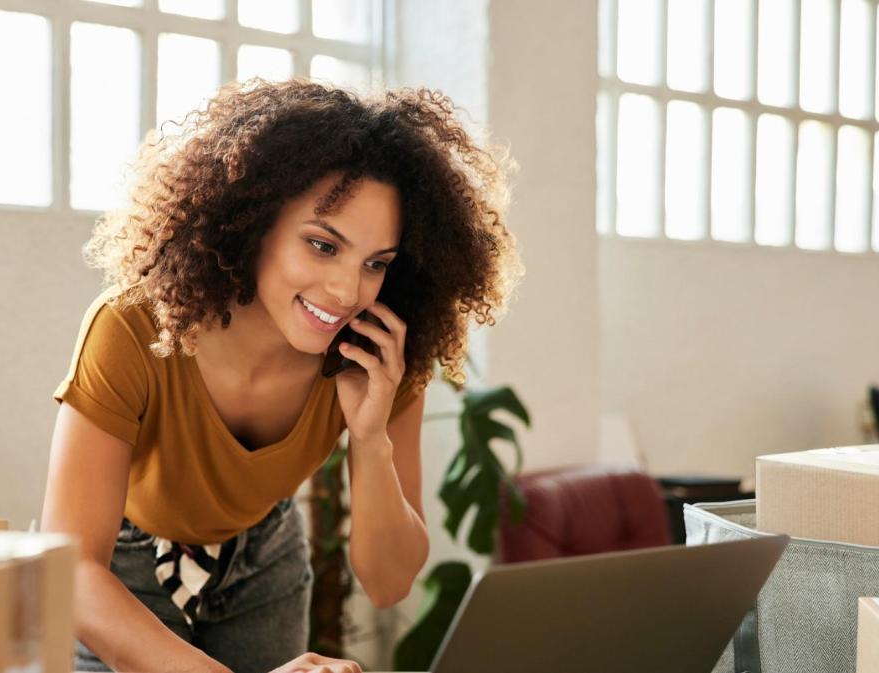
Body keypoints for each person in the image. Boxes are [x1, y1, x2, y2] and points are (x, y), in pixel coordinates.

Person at [41, 78, 523, 673]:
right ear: (252, 222)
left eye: (376, 263)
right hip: (118, 570)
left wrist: (371, 438)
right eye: (323, 246)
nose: (348, 290)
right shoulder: (133, 327)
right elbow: (75, 567)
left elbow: (389, 583)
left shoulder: (379, 356)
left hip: (263, 557)